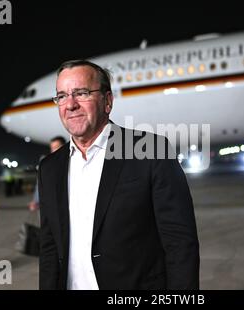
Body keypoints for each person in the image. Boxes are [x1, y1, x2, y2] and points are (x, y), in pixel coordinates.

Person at [38, 60, 199, 290]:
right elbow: (49, 248)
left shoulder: (151, 152)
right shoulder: (50, 169)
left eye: (81, 93)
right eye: (61, 96)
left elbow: (180, 243)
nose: (70, 104)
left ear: (108, 101)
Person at [28, 136, 66, 211]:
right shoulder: (47, 164)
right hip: (51, 205)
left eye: (56, 147)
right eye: (52, 148)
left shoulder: (72, 161)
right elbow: (40, 184)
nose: (54, 150)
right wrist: (36, 201)